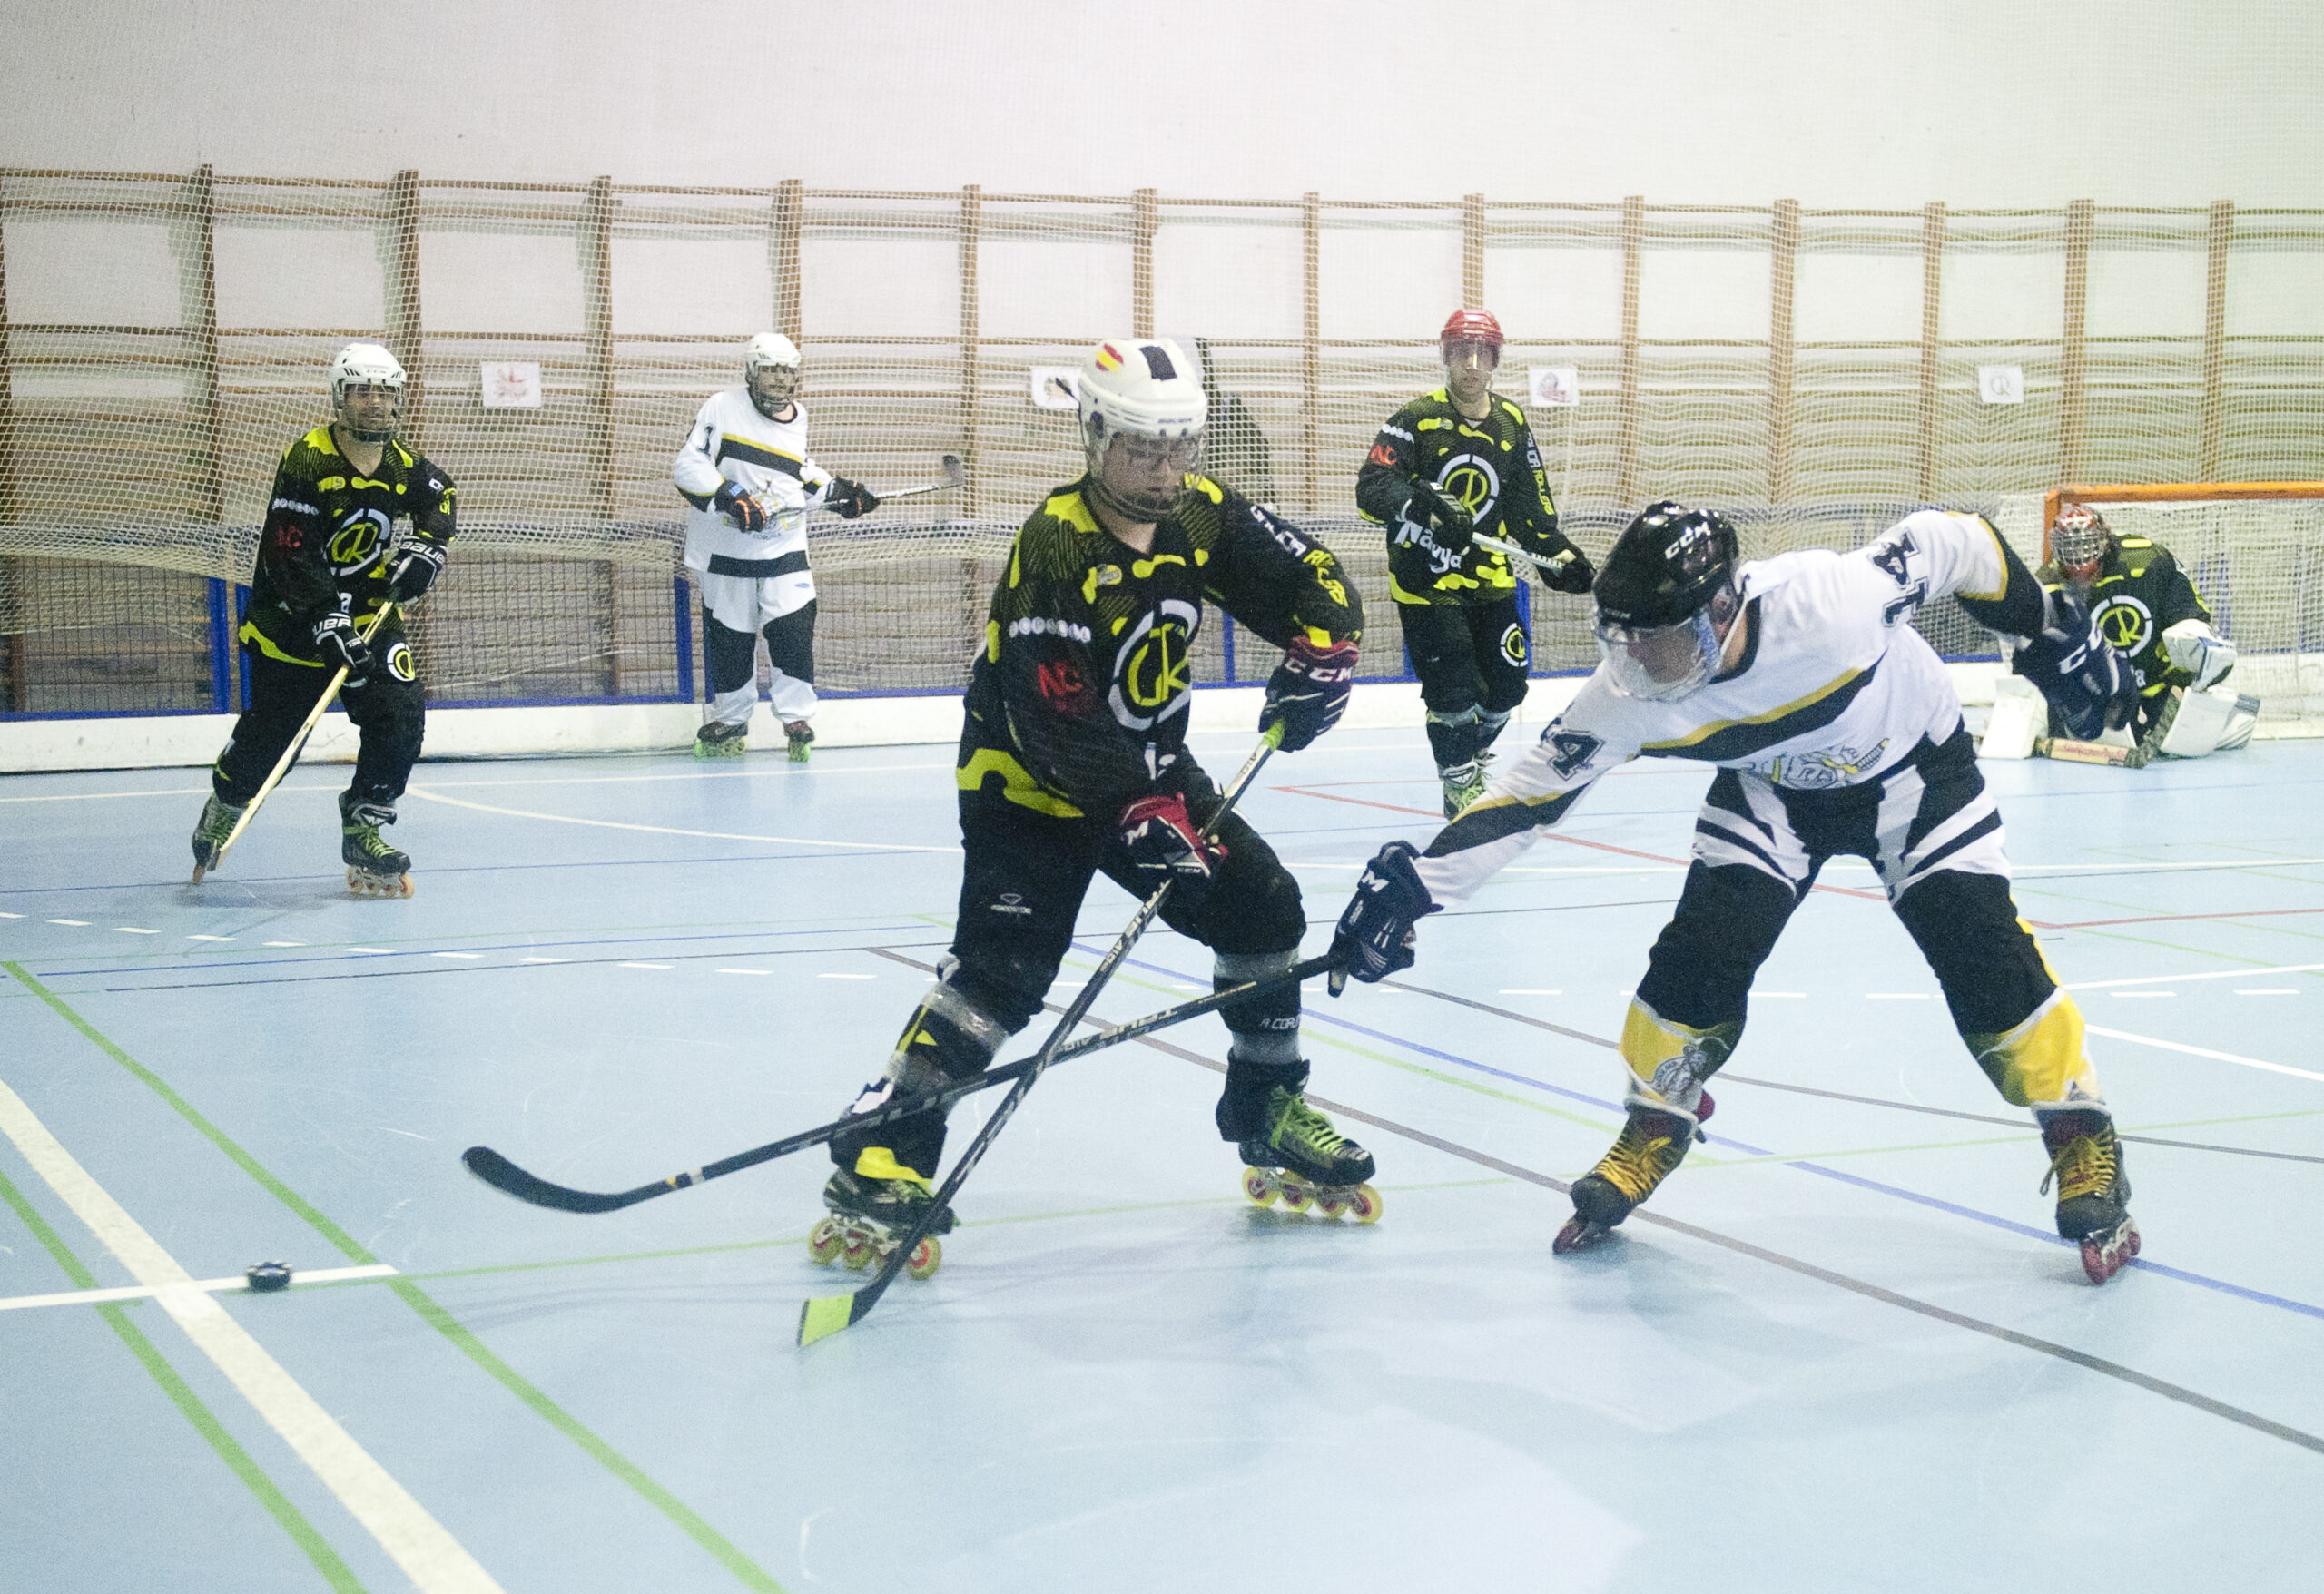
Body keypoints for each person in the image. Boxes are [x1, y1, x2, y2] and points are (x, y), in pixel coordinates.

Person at [1332, 502, 2152, 1285]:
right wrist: (1411, 889)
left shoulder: (1833, 604)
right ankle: (1658, 1120)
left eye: (1660, 639)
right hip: (1773, 792)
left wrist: (2048, 634)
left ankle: (2079, 1126)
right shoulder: (1626, 693)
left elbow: (1956, 541)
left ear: (1724, 607)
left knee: (1978, 948)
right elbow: (1529, 794)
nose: (1638, 662)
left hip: (1913, 774)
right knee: (1701, 951)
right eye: (1623, 640)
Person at [810, 336, 1373, 1276]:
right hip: (1028, 786)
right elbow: (1054, 716)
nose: (1162, 470)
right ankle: (883, 1147)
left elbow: (1303, 573)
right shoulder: (1057, 544)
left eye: (1177, 447)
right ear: (1095, 437)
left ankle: (1265, 1103)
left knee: (1263, 906)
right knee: (1005, 970)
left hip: (1152, 773)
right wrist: (1138, 813)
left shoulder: (1199, 514)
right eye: (1142, 448)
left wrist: (1327, 645)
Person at [189, 342, 455, 898]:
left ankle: (365, 824)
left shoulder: (404, 467)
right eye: (362, 391)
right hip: (292, 619)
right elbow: (291, 550)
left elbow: (442, 496)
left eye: (385, 392)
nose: (375, 403)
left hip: (369, 617)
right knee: (272, 743)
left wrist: (428, 547)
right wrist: (325, 617)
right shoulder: (307, 459)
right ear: (341, 397)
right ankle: (229, 798)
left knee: (401, 714)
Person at [1355, 307, 1596, 818]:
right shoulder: (1414, 420)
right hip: (1426, 580)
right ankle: (1459, 779)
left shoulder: (1511, 421)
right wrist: (1422, 501)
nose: (1470, 365)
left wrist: (1561, 555)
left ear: (1495, 360)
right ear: (1445, 357)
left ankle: (1473, 757)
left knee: (1508, 684)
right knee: (1453, 684)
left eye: (1481, 354)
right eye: (1460, 353)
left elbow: (1531, 508)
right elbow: (1371, 489)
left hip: (1490, 578)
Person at [673, 332, 880, 763]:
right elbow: (689, 464)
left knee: (793, 632)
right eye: (770, 370)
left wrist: (840, 493)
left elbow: (794, 472)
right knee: (730, 639)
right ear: (751, 371)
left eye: (786, 371)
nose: (778, 380)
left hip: (784, 549)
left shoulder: (798, 416)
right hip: (727, 553)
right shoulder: (721, 407)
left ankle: (797, 717)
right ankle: (730, 719)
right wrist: (728, 496)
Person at [2013, 502, 2254, 757]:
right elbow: (2031, 659)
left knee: (2186, 742)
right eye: (2070, 552)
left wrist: (2198, 652)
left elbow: (2192, 614)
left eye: (2087, 549)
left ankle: (2220, 713)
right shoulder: (2047, 588)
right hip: (2099, 695)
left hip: (2161, 684)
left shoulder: (2149, 559)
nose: (2080, 566)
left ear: (2105, 541)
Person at [1192, 337, 1275, 504]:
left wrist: (1268, 497)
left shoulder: (1232, 411)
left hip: (1240, 485)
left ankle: (1269, 503)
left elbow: (1261, 449)